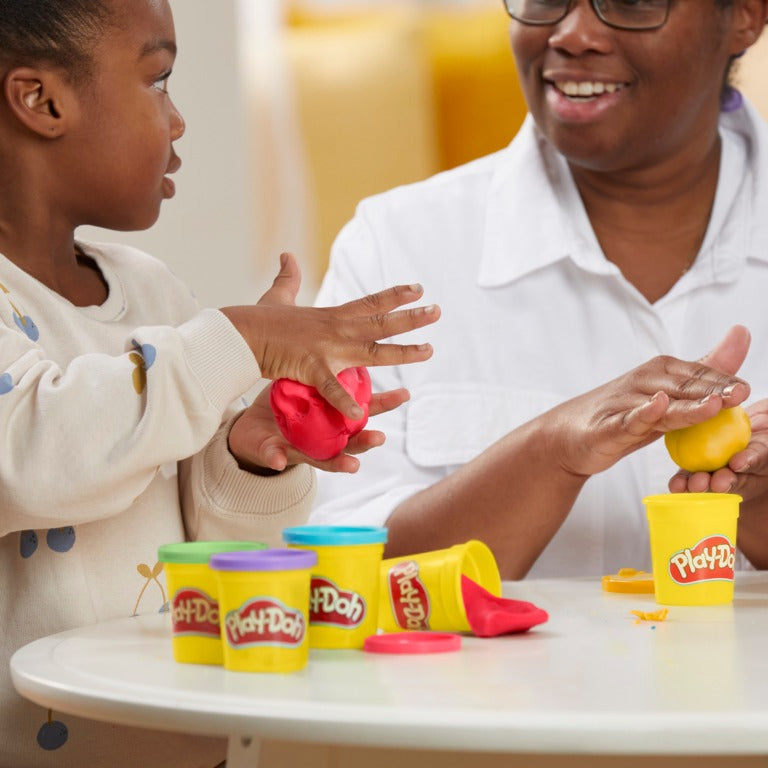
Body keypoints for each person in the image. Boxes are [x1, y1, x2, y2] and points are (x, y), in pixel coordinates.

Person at [0, 1, 440, 766]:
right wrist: (242, 338)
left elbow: (223, 557)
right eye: (158, 80)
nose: (177, 121)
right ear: (42, 100)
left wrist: (245, 454)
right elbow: (34, 456)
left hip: (191, 746)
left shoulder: (154, 292)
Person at [310, 0, 768, 579]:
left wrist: (757, 511)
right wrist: (551, 452)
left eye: (630, 2)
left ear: (744, 15)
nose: (573, 34)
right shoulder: (395, 249)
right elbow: (343, 577)